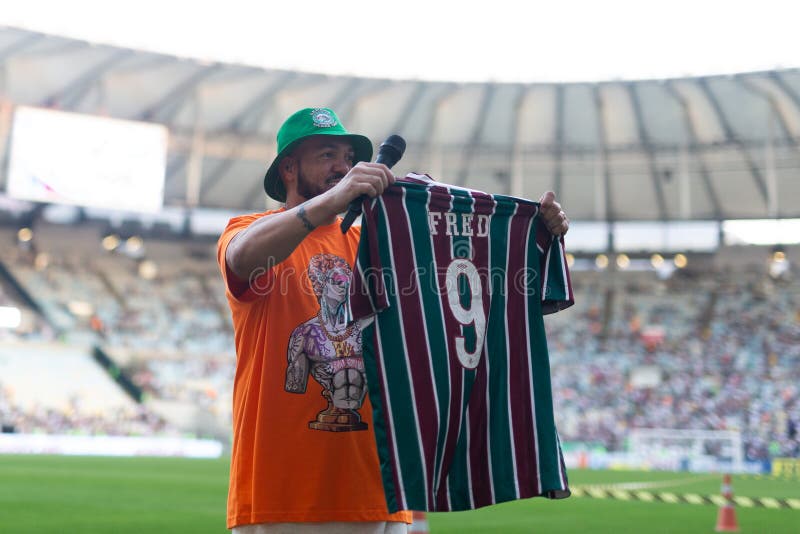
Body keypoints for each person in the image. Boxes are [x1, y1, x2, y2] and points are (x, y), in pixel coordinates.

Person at [217, 107, 570, 533]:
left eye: (348, 158)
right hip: (283, 499)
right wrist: (335, 199)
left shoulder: (381, 240)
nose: (344, 167)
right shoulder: (249, 228)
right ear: (288, 168)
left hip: (384, 496)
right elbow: (242, 258)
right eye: (327, 155)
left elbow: (471, 285)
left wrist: (536, 234)